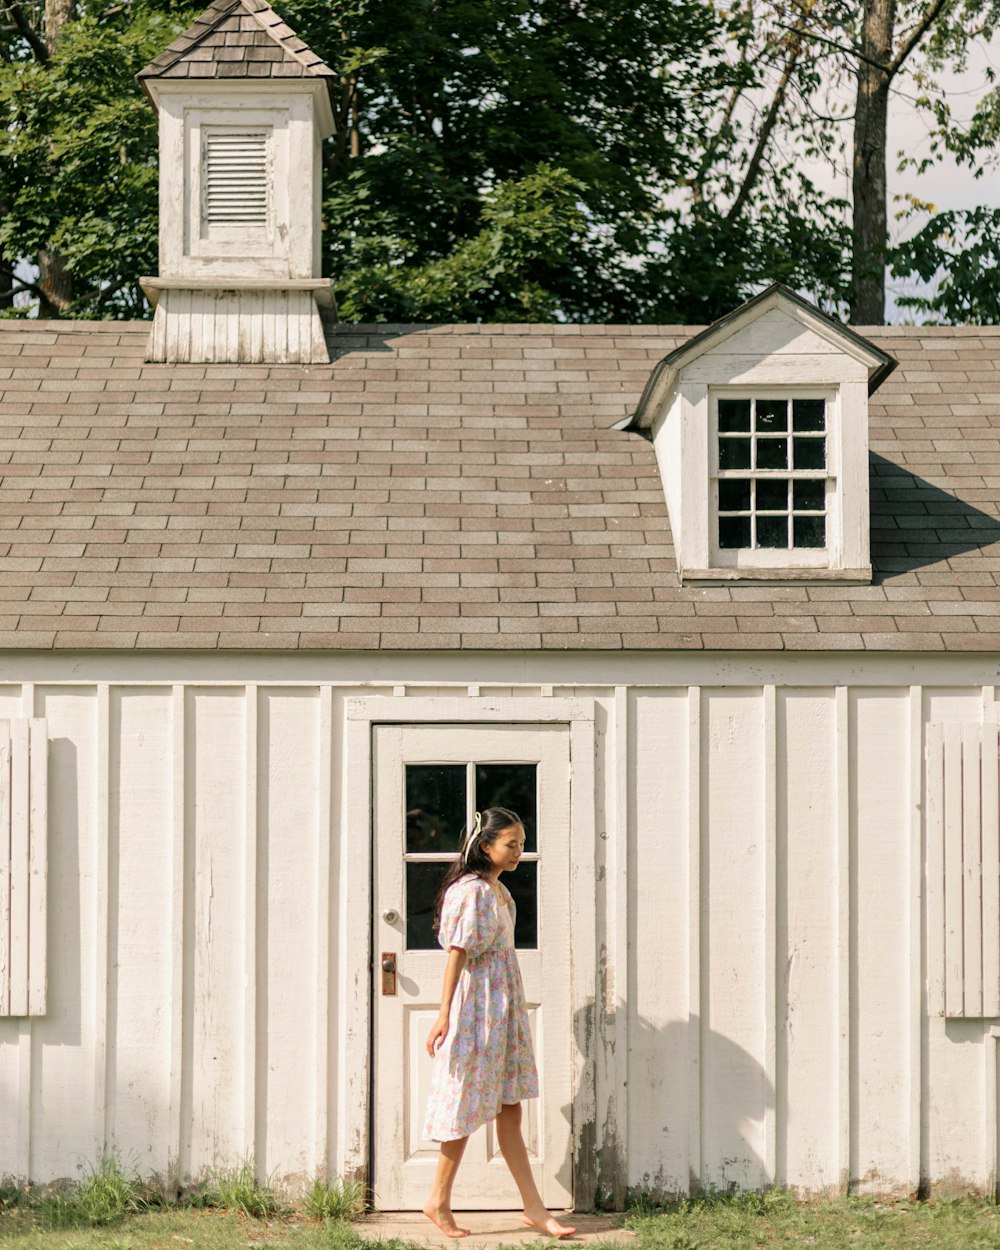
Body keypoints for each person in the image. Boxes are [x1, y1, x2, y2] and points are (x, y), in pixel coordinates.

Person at [421, 807, 576, 1240]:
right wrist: (443, 1013)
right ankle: (437, 1199)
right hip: (478, 1008)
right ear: (485, 845)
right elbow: (458, 952)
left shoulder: (497, 890)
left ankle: (534, 1209)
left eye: (523, 844)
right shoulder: (472, 891)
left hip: (501, 1004)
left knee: (510, 1106)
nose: (519, 852)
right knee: (466, 1103)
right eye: (512, 844)